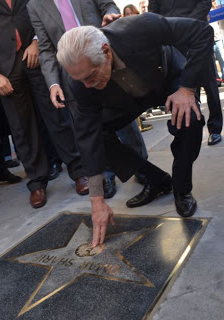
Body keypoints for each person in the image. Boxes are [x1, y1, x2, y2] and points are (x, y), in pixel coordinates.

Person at [56, 13, 213, 246]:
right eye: (81, 81)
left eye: (91, 76)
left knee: (189, 119)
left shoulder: (141, 27)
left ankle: (181, 188)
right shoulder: (80, 82)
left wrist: (187, 89)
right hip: (125, 99)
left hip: (166, 79)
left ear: (106, 51)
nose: (87, 86)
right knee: (98, 135)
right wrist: (97, 202)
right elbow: (87, 137)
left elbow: (202, 33)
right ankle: (157, 180)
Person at [0, 0, 89, 209]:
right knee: (21, 127)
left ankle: (78, 171)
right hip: (4, 66)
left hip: (37, 54)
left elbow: (42, 5)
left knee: (57, 114)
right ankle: (37, 182)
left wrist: (38, 41)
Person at [28, 0, 149, 196]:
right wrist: (53, 83)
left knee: (125, 120)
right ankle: (106, 175)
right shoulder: (34, 6)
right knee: (91, 129)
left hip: (102, 61)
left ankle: (141, 167)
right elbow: (46, 48)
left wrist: (110, 14)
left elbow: (108, 6)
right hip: (74, 78)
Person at [148, 0, 223, 146]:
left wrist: (186, 23)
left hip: (196, 34)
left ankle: (215, 128)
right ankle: (190, 129)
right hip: (171, 39)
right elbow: (153, 10)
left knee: (209, 84)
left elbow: (204, 3)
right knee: (180, 84)